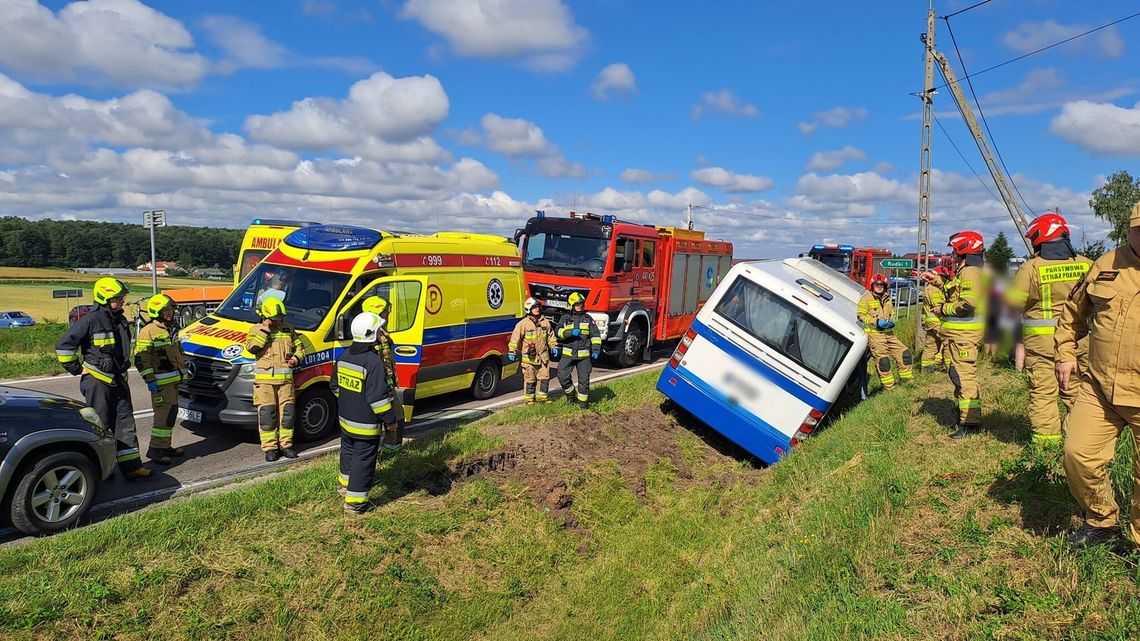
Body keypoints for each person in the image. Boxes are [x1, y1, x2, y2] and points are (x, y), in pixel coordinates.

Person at [1054, 201, 1140, 548]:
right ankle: (1102, 520)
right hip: (1100, 387)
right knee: (1078, 454)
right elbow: (1072, 312)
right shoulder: (1106, 264)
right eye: (1139, 229)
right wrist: (1064, 353)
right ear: (1129, 228)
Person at [1005, 213, 1091, 449]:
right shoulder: (1085, 264)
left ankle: (1046, 450)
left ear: (1039, 238)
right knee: (1077, 395)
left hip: (1042, 347)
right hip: (1077, 343)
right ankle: (1080, 446)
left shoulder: (1031, 267)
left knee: (1043, 396)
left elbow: (1012, 304)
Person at [55, 278, 150, 479]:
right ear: (104, 298)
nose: (123, 300)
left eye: (122, 297)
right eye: (118, 297)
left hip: (119, 379)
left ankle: (132, 467)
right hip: (98, 381)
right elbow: (64, 346)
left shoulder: (121, 320)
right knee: (100, 426)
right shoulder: (90, 320)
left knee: (125, 422)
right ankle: (101, 472)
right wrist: (77, 369)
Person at [331, 312, 398, 515]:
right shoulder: (373, 362)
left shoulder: (344, 357)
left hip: (345, 420)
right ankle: (355, 503)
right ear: (371, 334)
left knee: (348, 454)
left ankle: (344, 488)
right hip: (366, 425)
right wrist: (390, 421)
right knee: (364, 461)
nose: (381, 334)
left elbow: (335, 386)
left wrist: (351, 400)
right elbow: (378, 399)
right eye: (379, 330)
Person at [940, 230, 987, 439]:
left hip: (964, 337)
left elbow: (967, 305)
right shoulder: (966, 272)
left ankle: (970, 422)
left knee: (965, 377)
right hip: (958, 336)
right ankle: (963, 415)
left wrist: (942, 309)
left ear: (962, 250)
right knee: (957, 375)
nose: (952, 255)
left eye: (954, 251)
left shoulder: (970, 272)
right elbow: (960, 295)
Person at [245, 297, 305, 462]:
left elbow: (300, 347)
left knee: (287, 415)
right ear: (266, 316)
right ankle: (270, 448)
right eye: (275, 319)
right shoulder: (255, 330)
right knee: (267, 415)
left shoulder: (288, 329)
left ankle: (286, 445)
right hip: (265, 384)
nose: (278, 322)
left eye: (280, 318)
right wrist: (265, 330)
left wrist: (295, 359)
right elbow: (252, 348)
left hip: (286, 381)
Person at [133, 294, 188, 465]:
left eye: (171, 309)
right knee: (163, 417)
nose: (169, 312)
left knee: (170, 414)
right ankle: (155, 450)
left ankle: (165, 446)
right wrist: (150, 380)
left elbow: (178, 353)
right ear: (156, 311)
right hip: (161, 384)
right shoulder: (148, 332)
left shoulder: (171, 328)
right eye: (166, 309)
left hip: (173, 382)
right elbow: (141, 359)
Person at [362, 295, 405, 450]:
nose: (388, 314)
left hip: (385, 384)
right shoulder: (371, 336)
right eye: (386, 312)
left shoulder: (380, 332)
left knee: (393, 417)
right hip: (380, 386)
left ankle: (388, 449)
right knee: (396, 416)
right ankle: (390, 449)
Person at [857, 274, 913, 389]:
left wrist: (892, 321)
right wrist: (876, 322)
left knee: (905, 353)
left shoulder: (887, 299)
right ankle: (889, 388)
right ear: (872, 286)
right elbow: (860, 316)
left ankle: (907, 381)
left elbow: (891, 313)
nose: (879, 286)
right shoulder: (865, 299)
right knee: (884, 361)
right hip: (875, 335)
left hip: (889, 334)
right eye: (877, 284)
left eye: (882, 284)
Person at [508, 297, 558, 404]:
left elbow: (551, 336)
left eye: (538, 307)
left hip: (543, 358)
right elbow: (514, 339)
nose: (537, 309)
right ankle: (529, 400)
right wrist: (512, 351)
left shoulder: (545, 322)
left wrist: (554, 346)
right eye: (534, 307)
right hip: (529, 359)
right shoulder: (523, 324)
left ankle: (542, 399)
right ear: (528, 309)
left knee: (544, 378)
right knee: (530, 380)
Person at [556, 292, 601, 409]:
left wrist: (596, 350)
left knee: (584, 382)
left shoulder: (588, 319)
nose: (579, 306)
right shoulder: (565, 318)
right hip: (568, 354)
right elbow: (558, 332)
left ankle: (583, 405)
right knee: (562, 376)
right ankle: (571, 397)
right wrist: (569, 332)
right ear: (571, 305)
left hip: (584, 357)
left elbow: (595, 336)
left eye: (581, 303)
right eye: (577, 304)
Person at [919, 266, 950, 372]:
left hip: (930, 321)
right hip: (936, 320)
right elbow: (938, 306)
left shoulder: (930, 287)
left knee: (931, 344)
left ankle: (927, 366)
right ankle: (950, 366)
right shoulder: (933, 289)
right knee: (947, 341)